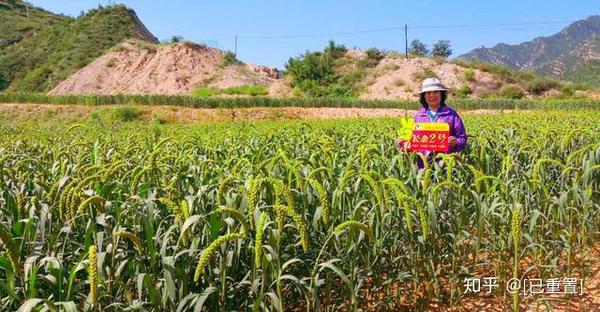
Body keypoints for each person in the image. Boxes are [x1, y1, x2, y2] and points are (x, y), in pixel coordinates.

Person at [396, 77, 467, 167]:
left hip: (446, 164)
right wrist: (402, 143)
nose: (432, 95)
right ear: (424, 96)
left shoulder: (452, 115)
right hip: (423, 165)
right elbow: (412, 141)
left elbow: (463, 138)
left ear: (441, 94)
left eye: (435, 92)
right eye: (428, 93)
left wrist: (456, 142)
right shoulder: (418, 116)